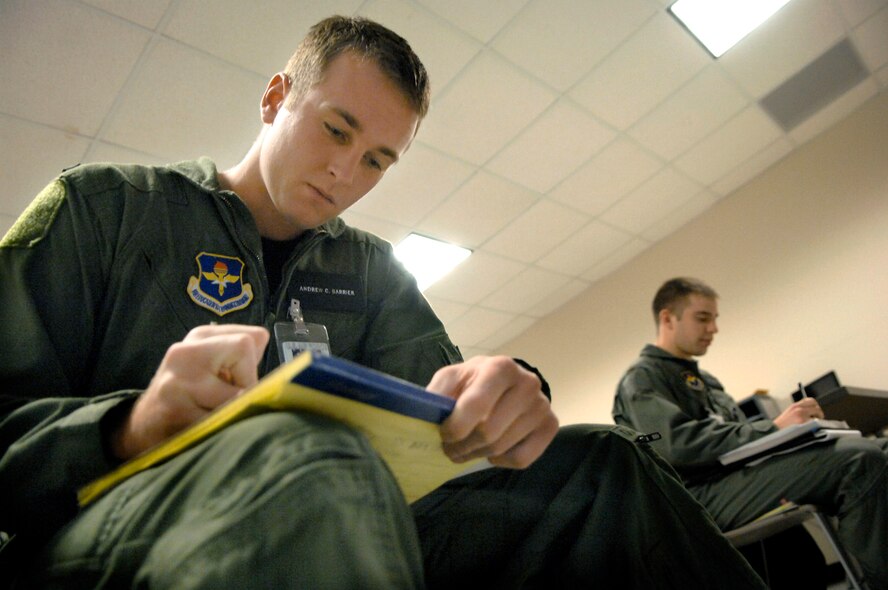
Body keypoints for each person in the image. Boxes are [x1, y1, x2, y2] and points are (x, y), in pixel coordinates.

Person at [0, 16, 768, 589]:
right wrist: (128, 428)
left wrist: (506, 394)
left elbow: (444, 431)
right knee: (304, 452)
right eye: (335, 130)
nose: (345, 173)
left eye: (376, 160)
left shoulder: (373, 272)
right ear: (276, 98)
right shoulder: (101, 210)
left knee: (599, 462)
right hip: (115, 534)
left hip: (347, 512)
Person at [613, 277, 888, 589]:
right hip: (699, 496)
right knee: (857, 459)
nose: (713, 328)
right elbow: (673, 445)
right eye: (703, 318)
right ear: (667, 318)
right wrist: (771, 427)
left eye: (715, 319)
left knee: (882, 447)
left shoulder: (705, 380)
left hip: (739, 478)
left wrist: (792, 435)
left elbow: (735, 434)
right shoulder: (642, 378)